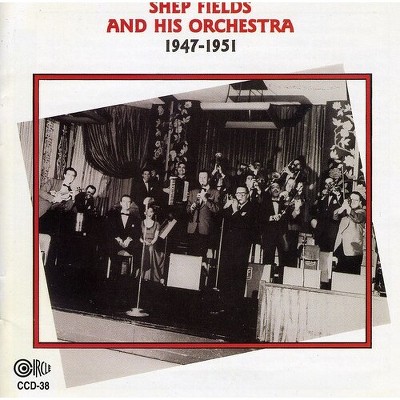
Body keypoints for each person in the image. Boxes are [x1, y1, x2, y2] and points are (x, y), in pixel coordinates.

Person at [218, 186, 257, 311]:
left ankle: (235, 307)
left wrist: (235, 211)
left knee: (237, 276)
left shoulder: (251, 208)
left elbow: (243, 226)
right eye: (237, 193)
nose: (239, 196)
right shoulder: (232, 206)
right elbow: (219, 219)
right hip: (228, 247)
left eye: (242, 194)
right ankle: (224, 304)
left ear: (248, 195)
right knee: (226, 275)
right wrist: (225, 207)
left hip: (241, 248)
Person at [187, 170, 220, 258]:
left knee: (202, 256)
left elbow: (216, 209)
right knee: (191, 255)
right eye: (200, 177)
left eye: (204, 177)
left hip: (205, 228)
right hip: (192, 228)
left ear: (209, 179)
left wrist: (205, 199)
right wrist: (191, 208)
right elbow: (187, 209)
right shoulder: (193, 192)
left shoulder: (215, 192)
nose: (202, 179)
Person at [333, 191, 366, 274]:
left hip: (353, 250)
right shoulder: (346, 210)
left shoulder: (362, 212)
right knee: (338, 275)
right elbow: (335, 216)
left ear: (360, 202)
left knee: (351, 276)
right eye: (351, 199)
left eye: (356, 200)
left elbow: (357, 218)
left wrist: (348, 208)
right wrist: (342, 207)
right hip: (341, 248)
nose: (353, 202)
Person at [39, 167, 78, 234]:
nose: (70, 177)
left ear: (74, 178)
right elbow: (41, 192)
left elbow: (68, 208)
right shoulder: (53, 182)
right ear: (64, 175)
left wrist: (73, 198)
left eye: (73, 176)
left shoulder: (71, 192)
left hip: (55, 216)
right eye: (68, 174)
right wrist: (53, 198)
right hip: (43, 211)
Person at [106, 194, 141, 264]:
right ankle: (114, 269)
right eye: (124, 201)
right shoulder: (113, 216)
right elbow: (110, 229)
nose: (126, 204)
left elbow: (136, 232)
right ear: (121, 203)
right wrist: (118, 239)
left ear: (131, 204)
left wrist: (128, 239)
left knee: (138, 246)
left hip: (128, 244)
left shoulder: (135, 218)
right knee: (110, 245)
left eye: (128, 202)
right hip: (116, 242)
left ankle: (131, 269)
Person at [259, 182, 288, 266]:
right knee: (268, 260)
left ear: (281, 190)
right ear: (270, 191)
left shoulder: (285, 203)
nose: (275, 189)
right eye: (273, 187)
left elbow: (288, 218)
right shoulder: (264, 203)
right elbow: (260, 218)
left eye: (277, 187)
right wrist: (271, 217)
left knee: (283, 260)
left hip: (282, 235)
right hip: (269, 235)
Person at [140, 206, 165, 283]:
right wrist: (143, 242)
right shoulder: (141, 223)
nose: (149, 213)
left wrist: (150, 243)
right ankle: (141, 275)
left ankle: (148, 276)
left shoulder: (157, 224)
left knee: (150, 249)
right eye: (147, 211)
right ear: (144, 213)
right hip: (143, 242)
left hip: (152, 243)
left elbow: (155, 237)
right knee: (143, 249)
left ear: (153, 213)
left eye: (151, 212)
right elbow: (139, 237)